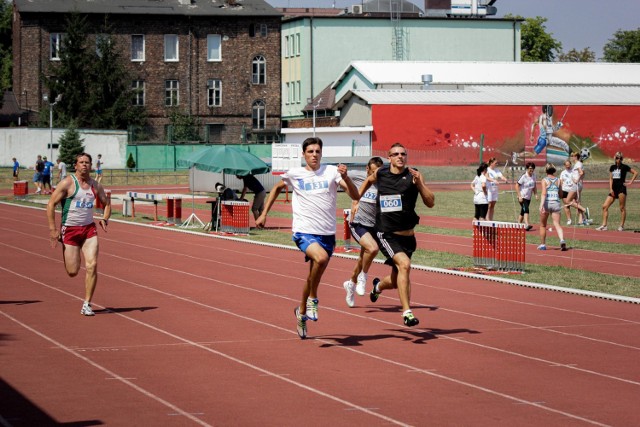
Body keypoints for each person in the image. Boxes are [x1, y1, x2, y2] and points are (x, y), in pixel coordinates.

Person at [256, 137, 359, 339]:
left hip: (327, 234)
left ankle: (301, 313)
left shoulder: (332, 172)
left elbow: (355, 195)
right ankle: (313, 299)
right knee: (320, 259)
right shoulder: (295, 174)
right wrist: (264, 213)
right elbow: (277, 188)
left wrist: (346, 178)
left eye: (317, 151)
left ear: (322, 154)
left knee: (312, 277)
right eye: (310, 151)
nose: (314, 155)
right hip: (304, 231)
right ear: (303, 154)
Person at [360, 143, 435, 327]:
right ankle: (407, 312)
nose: (400, 157)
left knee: (395, 280)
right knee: (405, 265)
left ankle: (377, 286)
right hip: (387, 234)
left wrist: (421, 184)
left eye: (403, 154)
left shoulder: (414, 175)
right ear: (389, 157)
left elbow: (430, 202)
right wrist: (357, 200)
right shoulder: (381, 173)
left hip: (408, 236)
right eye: (396, 154)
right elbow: (368, 181)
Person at [47, 152, 111, 316]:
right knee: (73, 272)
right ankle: (68, 249)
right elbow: (51, 205)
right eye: (81, 162)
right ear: (75, 166)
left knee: (92, 265)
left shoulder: (95, 185)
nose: (84, 165)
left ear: (91, 166)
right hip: (70, 230)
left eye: (87, 162)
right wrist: (53, 230)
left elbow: (106, 203)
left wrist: (105, 218)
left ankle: (87, 303)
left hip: (89, 229)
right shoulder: (67, 183)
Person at [343, 156, 384, 308]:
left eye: (378, 173)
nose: (375, 176)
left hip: (375, 225)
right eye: (372, 172)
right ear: (367, 169)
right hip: (358, 222)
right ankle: (363, 278)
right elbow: (341, 177)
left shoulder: (383, 182)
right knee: (372, 249)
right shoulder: (357, 175)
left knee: (362, 259)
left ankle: (350, 285)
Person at [596, 152, 638, 232]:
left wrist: (630, 182)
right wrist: (611, 189)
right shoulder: (612, 167)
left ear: (621, 159)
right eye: (616, 158)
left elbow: (635, 173)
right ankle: (604, 225)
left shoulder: (624, 167)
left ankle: (621, 226)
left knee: (622, 208)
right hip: (613, 189)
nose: (617, 159)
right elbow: (611, 178)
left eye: (619, 158)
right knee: (604, 206)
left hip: (621, 188)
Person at [537, 163, 567, 251]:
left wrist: (541, 205)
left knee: (543, 225)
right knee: (557, 224)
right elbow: (561, 194)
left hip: (547, 203)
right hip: (556, 203)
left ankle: (543, 245)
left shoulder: (544, 180)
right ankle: (562, 240)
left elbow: (543, 193)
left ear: (546, 170)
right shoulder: (558, 180)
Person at [564, 152, 589, 225]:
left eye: (572, 156)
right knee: (578, 202)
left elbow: (581, 173)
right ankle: (581, 220)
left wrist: (577, 180)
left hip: (576, 185)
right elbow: (583, 173)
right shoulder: (580, 164)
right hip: (579, 185)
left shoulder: (578, 164)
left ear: (576, 157)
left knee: (567, 201)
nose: (571, 157)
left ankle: (584, 210)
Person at [516, 162, 537, 231]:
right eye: (530, 168)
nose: (531, 170)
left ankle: (518, 225)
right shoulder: (524, 176)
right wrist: (519, 196)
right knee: (526, 210)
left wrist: (536, 194)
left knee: (523, 211)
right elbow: (517, 185)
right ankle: (527, 225)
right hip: (522, 197)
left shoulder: (534, 176)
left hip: (528, 197)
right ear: (527, 168)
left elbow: (534, 186)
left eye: (533, 168)